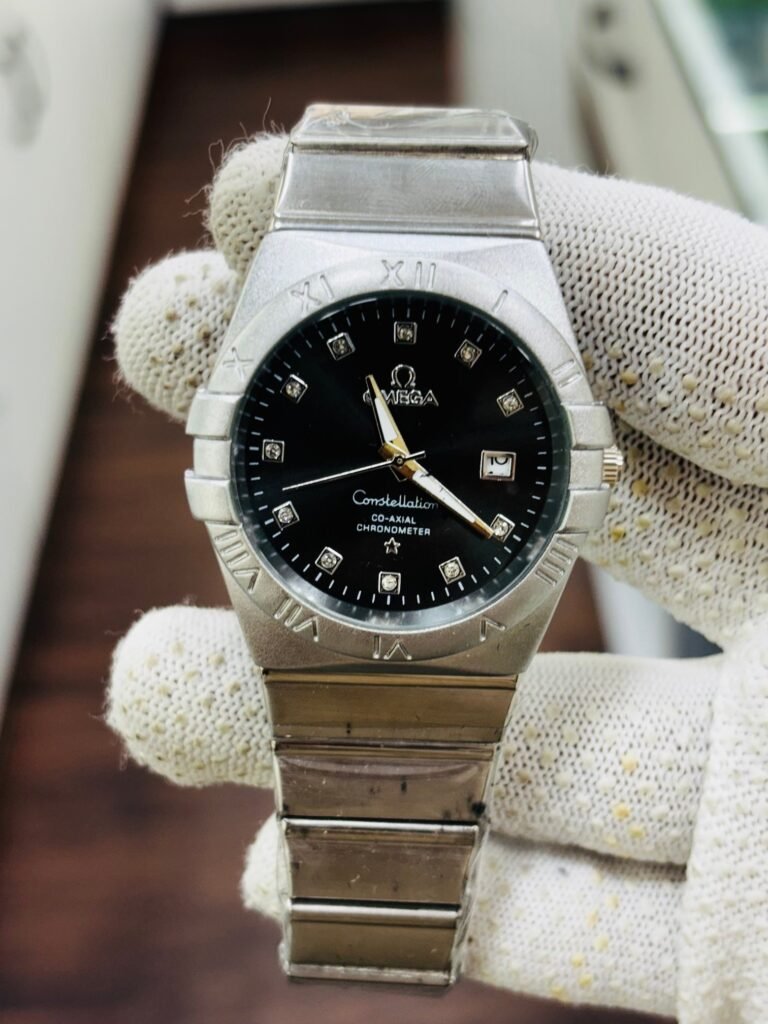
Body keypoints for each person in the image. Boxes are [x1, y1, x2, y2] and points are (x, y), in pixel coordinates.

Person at [108, 132, 768, 1022]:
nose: (402, 468)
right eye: (394, 459)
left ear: (591, 469)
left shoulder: (556, 466)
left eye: (409, 463)